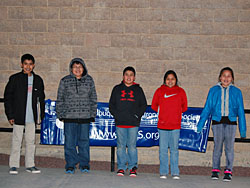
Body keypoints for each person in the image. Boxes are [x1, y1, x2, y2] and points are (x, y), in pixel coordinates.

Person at [197, 67, 247, 182]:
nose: (226, 78)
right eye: (224, 75)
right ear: (220, 77)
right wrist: (201, 124)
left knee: (229, 148)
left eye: (229, 76)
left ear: (232, 79)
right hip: (217, 123)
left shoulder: (237, 92)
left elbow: (241, 111)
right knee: (217, 148)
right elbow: (207, 108)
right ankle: (215, 170)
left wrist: (242, 129)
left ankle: (228, 171)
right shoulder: (213, 90)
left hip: (231, 123)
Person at [4, 54, 45, 175]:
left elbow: (41, 100)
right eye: (25, 64)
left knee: (31, 142)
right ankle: (13, 165)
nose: (28, 66)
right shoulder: (15, 79)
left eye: (30, 64)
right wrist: (10, 115)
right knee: (16, 141)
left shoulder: (38, 80)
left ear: (34, 65)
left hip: (32, 117)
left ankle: (30, 165)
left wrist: (40, 116)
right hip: (18, 116)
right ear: (21, 65)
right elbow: (8, 98)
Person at [56, 58, 97, 174]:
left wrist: (92, 113)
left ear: (83, 68)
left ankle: (84, 164)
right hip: (69, 117)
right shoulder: (64, 81)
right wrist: (60, 114)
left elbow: (93, 98)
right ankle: (70, 164)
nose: (77, 69)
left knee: (84, 142)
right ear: (71, 69)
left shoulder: (89, 80)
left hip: (85, 117)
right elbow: (60, 99)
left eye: (80, 67)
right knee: (70, 142)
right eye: (75, 67)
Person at [109, 66, 147, 177]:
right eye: (127, 75)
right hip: (120, 123)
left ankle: (132, 168)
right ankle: (121, 167)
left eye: (131, 75)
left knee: (132, 146)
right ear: (123, 76)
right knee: (120, 146)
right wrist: (117, 115)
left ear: (134, 77)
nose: (129, 77)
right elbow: (111, 105)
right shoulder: (116, 89)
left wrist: (136, 116)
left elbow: (143, 105)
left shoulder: (138, 90)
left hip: (133, 123)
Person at [151, 70, 187, 180]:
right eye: (168, 79)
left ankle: (175, 172)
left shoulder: (181, 91)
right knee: (162, 150)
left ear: (176, 80)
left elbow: (184, 107)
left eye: (172, 79)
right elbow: (154, 105)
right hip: (162, 126)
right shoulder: (159, 91)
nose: (170, 81)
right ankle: (163, 172)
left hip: (175, 126)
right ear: (164, 80)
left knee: (174, 150)